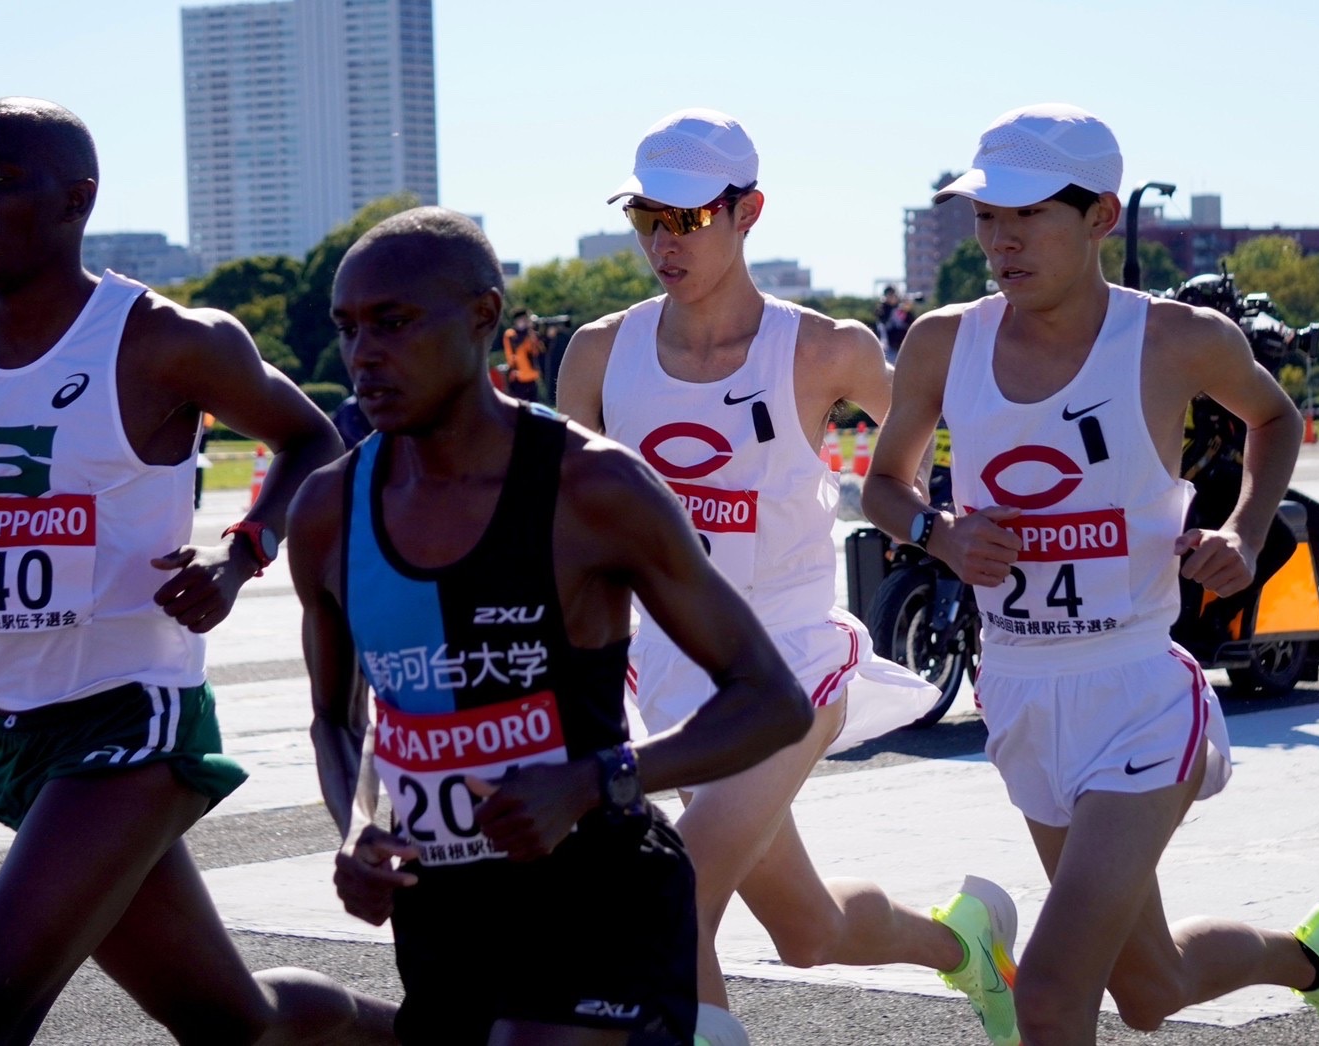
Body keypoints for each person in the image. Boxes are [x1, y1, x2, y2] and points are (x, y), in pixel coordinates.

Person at [0, 97, 398, 1044]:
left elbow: (313, 441)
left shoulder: (164, 339)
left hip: (135, 714)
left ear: (76, 200)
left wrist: (237, 551)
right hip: (10, 730)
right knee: (241, 1027)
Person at [862, 102, 1319, 1046]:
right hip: (1019, 694)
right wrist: (938, 534)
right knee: (1151, 989)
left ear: (1101, 215)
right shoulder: (947, 341)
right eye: (986, 215)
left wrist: (1242, 526)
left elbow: (1276, 420)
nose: (1000, 240)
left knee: (1052, 994)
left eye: (1026, 215)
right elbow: (883, 487)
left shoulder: (1173, 338)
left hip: (1139, 695)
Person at [288, 204, 813, 1045]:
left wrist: (589, 782)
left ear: (484, 316)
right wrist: (357, 829)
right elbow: (335, 718)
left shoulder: (594, 489)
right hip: (445, 913)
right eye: (348, 329)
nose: (363, 356)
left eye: (393, 323)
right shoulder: (326, 512)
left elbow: (773, 702)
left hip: (599, 894)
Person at [556, 107, 1016, 1046]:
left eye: (685, 219)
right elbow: (567, 525)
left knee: (669, 889)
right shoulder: (601, 352)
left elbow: (945, 429)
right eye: (648, 217)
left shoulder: (825, 350)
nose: (660, 242)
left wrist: (945, 525)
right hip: (671, 673)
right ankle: (965, 946)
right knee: (809, 934)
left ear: (748, 211)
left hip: (792, 663)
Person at [502, 307, 543, 401]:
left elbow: (539, 351)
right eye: (523, 319)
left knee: (533, 408)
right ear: (516, 321)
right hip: (518, 378)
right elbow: (514, 349)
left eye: (526, 319)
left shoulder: (531, 334)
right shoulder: (511, 334)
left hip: (532, 377)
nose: (525, 322)